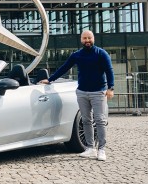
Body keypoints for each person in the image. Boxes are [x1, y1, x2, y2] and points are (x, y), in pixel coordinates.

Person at [40, 30, 114, 161]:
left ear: (93, 38)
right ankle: (90, 148)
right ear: (81, 40)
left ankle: (101, 149)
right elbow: (64, 68)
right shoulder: (77, 55)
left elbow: (109, 70)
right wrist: (50, 79)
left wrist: (111, 88)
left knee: (100, 121)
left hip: (99, 92)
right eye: (84, 38)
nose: (87, 40)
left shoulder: (101, 54)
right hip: (82, 92)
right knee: (86, 120)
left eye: (89, 38)